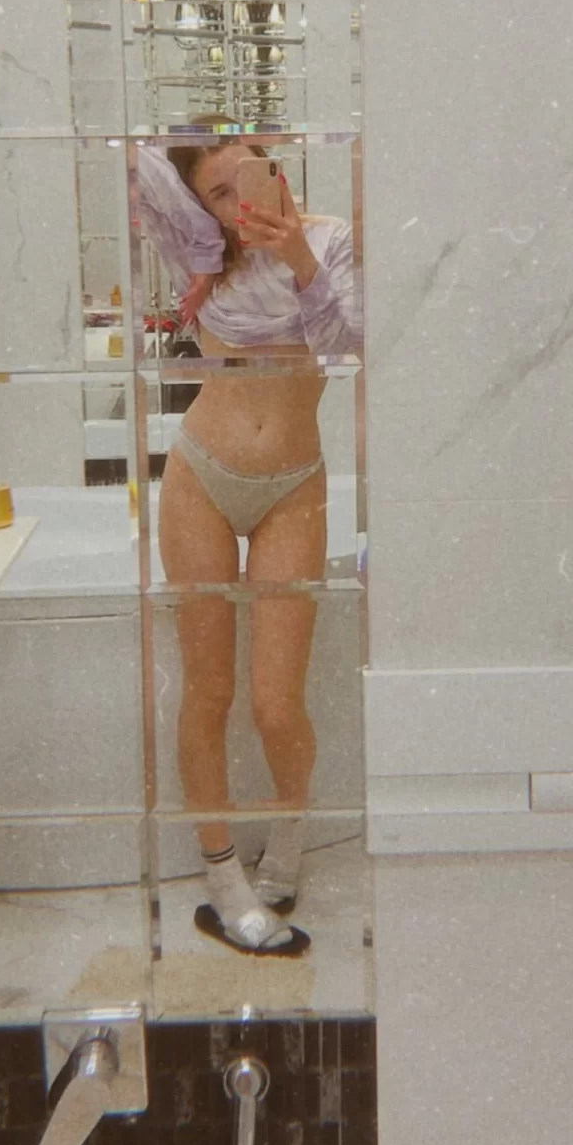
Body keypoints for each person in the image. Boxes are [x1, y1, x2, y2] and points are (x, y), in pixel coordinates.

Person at [135, 127, 363, 956]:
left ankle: (288, 845)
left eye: (248, 179)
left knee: (275, 703)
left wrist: (295, 250)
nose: (239, 204)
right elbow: (133, 157)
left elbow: (346, 344)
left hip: (292, 486)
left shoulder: (329, 239)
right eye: (217, 194)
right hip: (200, 476)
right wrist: (193, 187)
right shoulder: (198, 257)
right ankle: (221, 875)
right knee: (208, 692)